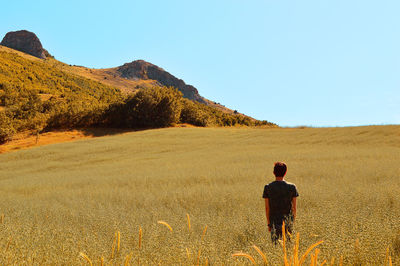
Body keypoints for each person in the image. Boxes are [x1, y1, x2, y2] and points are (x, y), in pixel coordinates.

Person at [262, 162, 299, 243]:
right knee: (288, 248)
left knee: (275, 247)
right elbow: (294, 208)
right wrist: (292, 222)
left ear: (274, 172)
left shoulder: (268, 187)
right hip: (288, 223)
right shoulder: (292, 187)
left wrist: (269, 224)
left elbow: (267, 208)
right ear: (285, 172)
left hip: (274, 223)